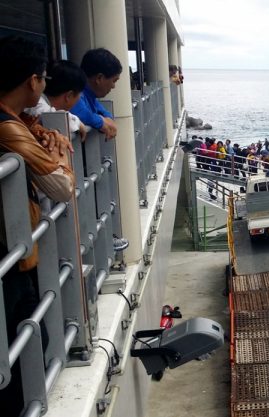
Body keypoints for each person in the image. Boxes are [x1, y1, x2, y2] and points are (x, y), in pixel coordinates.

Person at [0, 35, 76, 416]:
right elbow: (61, 187)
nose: (45, 85)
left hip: (15, 249)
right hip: (9, 257)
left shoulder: (20, 122)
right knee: (27, 339)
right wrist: (62, 154)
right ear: (32, 81)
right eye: (43, 78)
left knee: (31, 335)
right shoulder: (10, 129)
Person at [23, 59, 87, 142]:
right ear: (69, 95)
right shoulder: (38, 104)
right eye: (79, 95)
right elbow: (55, 116)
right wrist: (77, 123)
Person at [69, 48, 122, 140]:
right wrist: (101, 122)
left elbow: (102, 111)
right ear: (99, 78)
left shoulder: (89, 95)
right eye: (114, 81)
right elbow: (81, 113)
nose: (113, 86)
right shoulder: (76, 91)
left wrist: (108, 119)